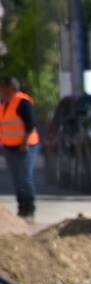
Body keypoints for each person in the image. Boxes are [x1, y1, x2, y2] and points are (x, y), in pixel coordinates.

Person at [0, 77, 40, 221]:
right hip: (9, 148)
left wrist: (24, 142)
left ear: (11, 88)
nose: (1, 91)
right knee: (17, 180)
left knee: (25, 178)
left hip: (25, 147)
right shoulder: (4, 104)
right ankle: (21, 209)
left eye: (3, 88)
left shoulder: (22, 102)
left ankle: (29, 210)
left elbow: (30, 125)